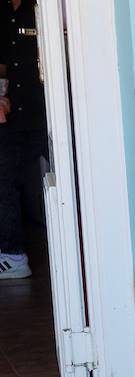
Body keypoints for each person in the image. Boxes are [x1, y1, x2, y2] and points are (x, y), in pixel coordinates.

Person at [0, 0, 47, 280]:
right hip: (12, 115)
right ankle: (12, 257)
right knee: (3, 181)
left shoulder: (44, 8)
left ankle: (94, 246)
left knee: (75, 178)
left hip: (52, 111)